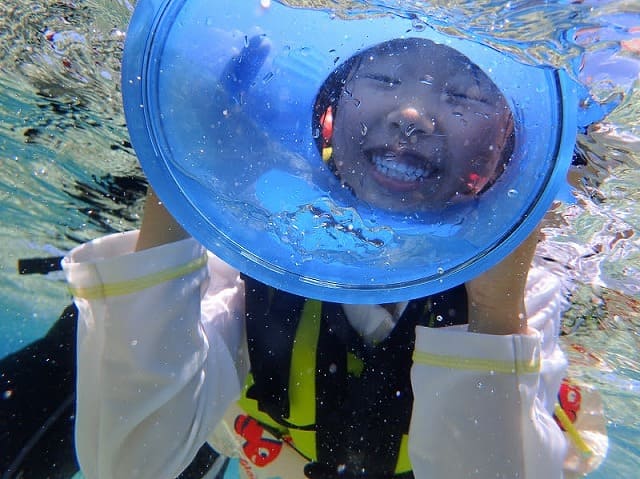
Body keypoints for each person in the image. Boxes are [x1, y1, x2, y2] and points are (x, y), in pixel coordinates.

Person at [58, 36, 585, 479]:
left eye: (463, 94)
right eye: (384, 79)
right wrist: (181, 179)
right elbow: (126, 462)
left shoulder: (525, 283)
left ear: (504, 143)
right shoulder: (260, 241)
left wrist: (495, 311)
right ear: (329, 111)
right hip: (273, 454)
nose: (411, 115)